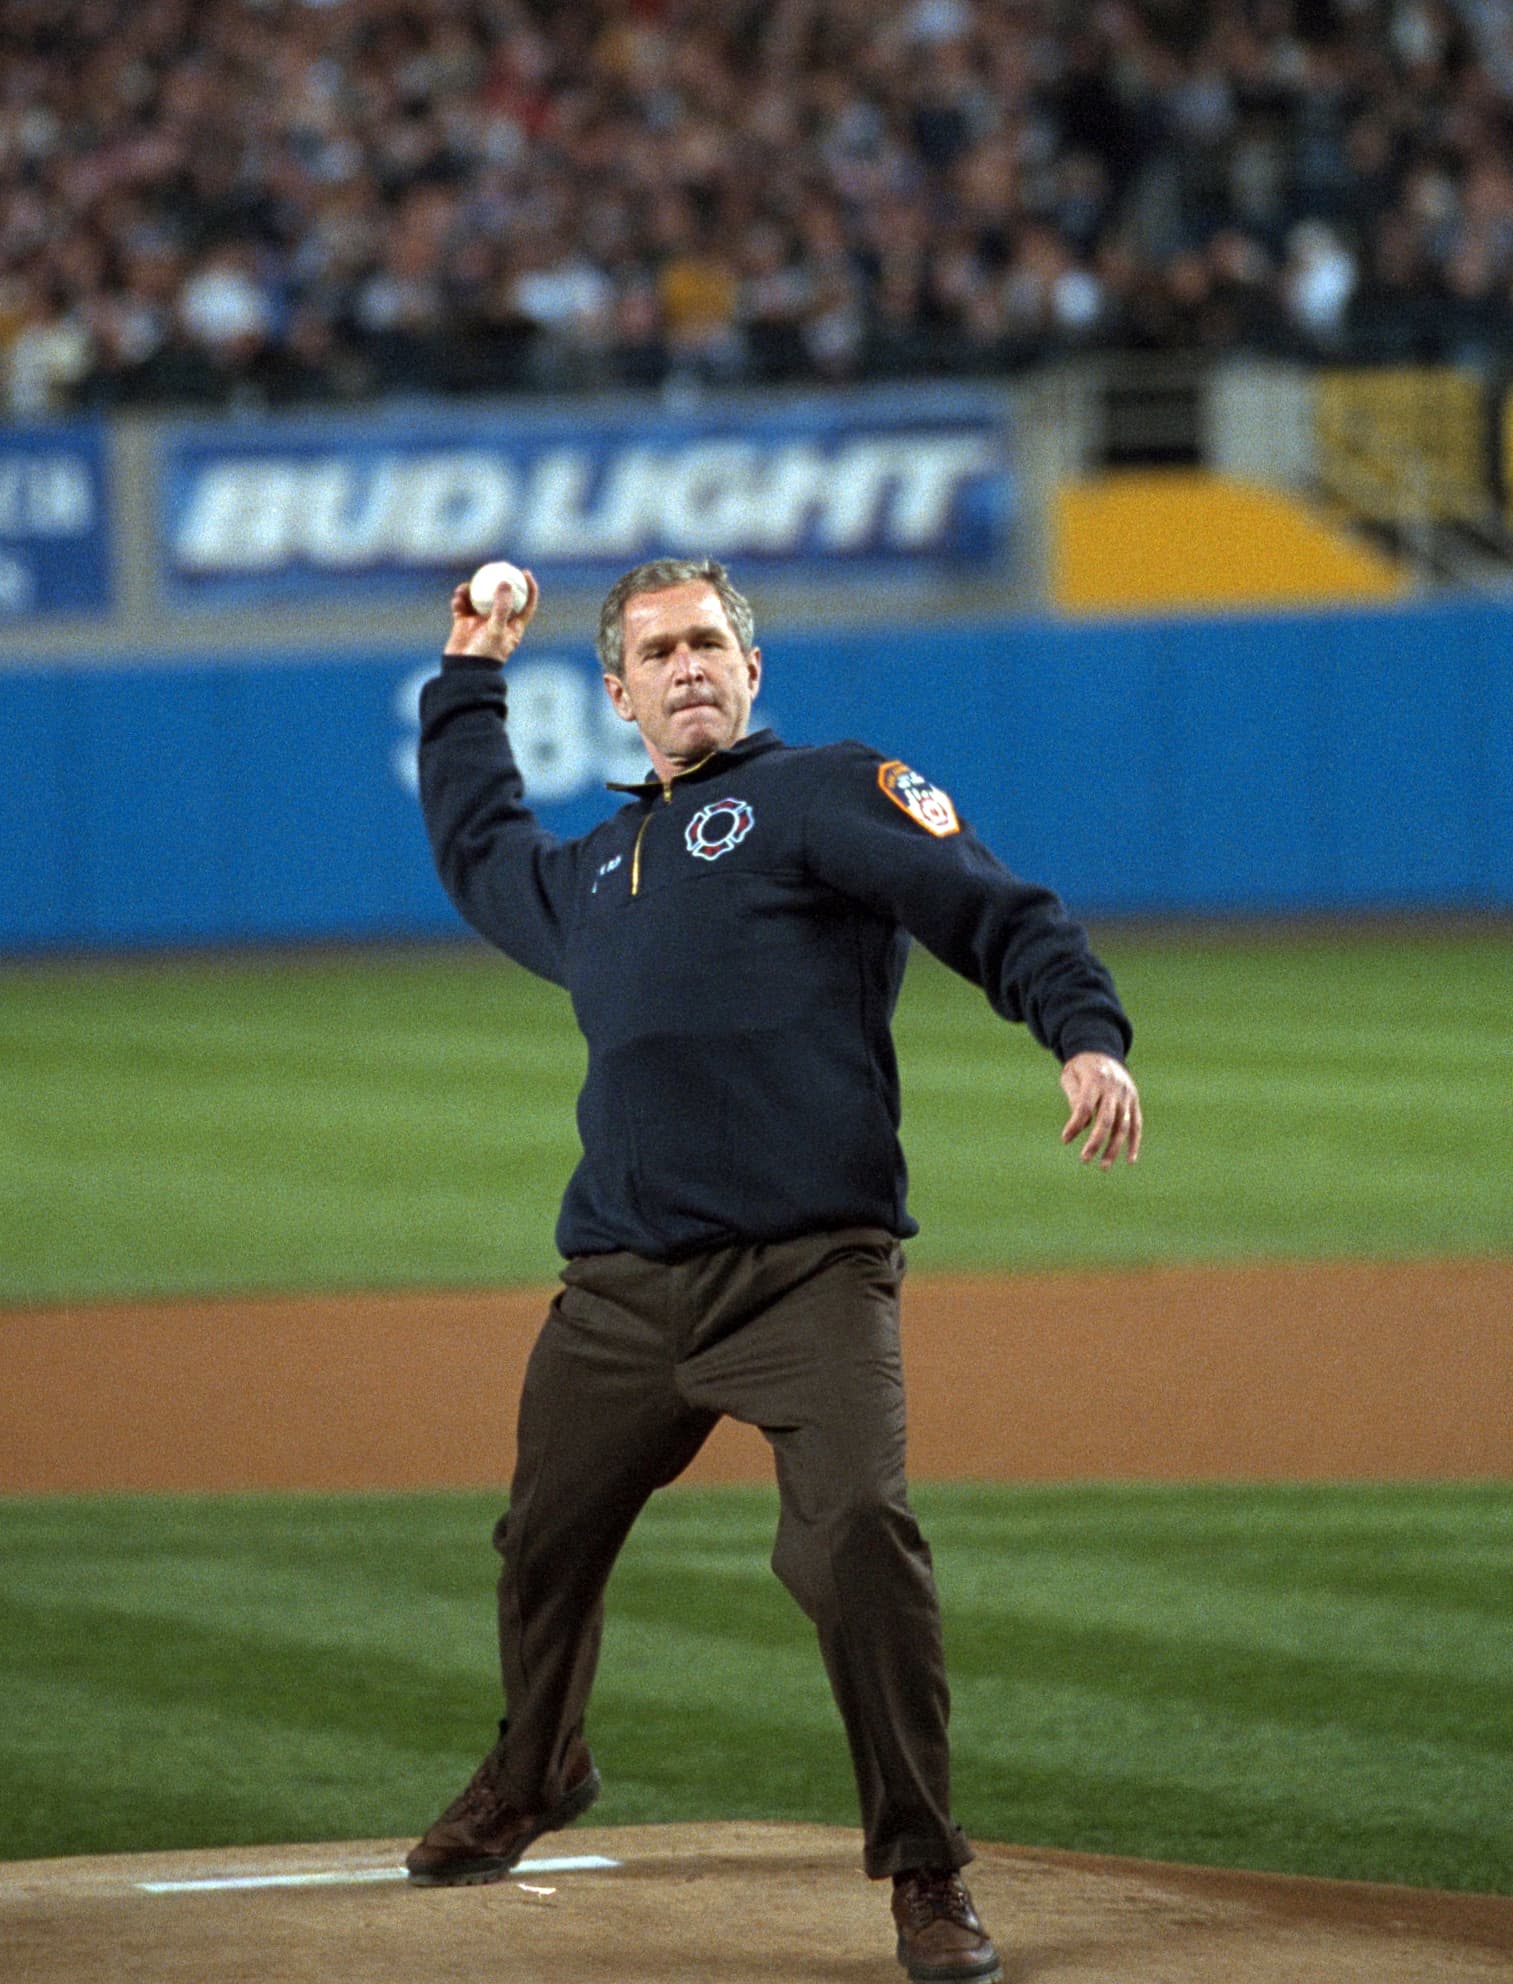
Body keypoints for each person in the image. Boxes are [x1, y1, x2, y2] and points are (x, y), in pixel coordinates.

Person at [406, 556, 1142, 1983]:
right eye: (657, 652)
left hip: (806, 1276)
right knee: (542, 1545)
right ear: (615, 693)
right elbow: (481, 846)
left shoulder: (819, 795)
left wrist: (1083, 1033)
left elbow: (993, 906)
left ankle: (923, 1868)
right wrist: (470, 676)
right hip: (620, 1293)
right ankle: (535, 1770)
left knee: (857, 1535)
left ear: (751, 670)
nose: (686, 665)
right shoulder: (597, 873)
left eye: (708, 643)